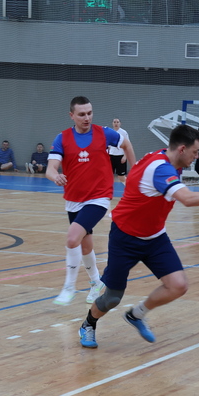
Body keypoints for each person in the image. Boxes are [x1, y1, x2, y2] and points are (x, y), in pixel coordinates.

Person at [77, 125, 199, 348]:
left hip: (155, 237)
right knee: (112, 298)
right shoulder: (161, 169)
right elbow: (187, 199)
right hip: (125, 238)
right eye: (195, 152)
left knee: (178, 285)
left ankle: (136, 315)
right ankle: (88, 324)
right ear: (182, 149)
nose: (197, 156)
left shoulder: (163, 158)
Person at [47, 96, 136, 306]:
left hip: (99, 196)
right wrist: (55, 176)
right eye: (81, 114)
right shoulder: (62, 138)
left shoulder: (104, 133)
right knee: (85, 245)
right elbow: (51, 168)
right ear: (72, 115)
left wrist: (135, 170)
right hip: (74, 199)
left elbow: (126, 144)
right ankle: (96, 281)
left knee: (72, 238)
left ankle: (69, 286)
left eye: (89, 113)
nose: (87, 118)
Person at [108, 118, 129, 183]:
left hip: (120, 156)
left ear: (120, 123)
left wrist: (125, 156)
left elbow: (127, 145)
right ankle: (109, 189)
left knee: (121, 176)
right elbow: (107, 145)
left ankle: (129, 188)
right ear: (112, 123)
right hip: (111, 156)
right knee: (109, 175)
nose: (116, 123)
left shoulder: (123, 132)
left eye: (117, 122)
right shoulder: (110, 132)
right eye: (114, 122)